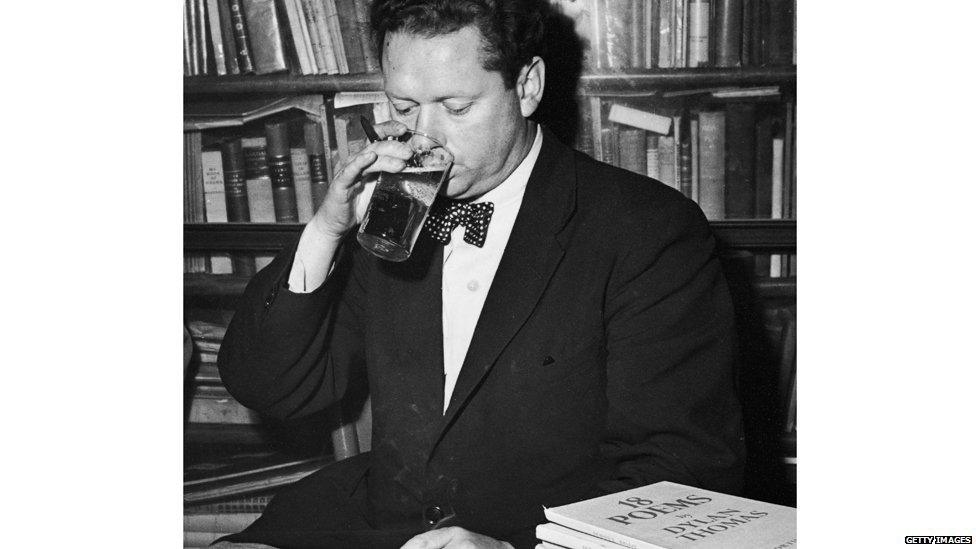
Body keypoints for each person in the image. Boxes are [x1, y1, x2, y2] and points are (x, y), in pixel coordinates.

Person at [216, 1, 745, 547]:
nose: (424, 138)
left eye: (457, 107)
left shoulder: (648, 230)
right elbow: (267, 388)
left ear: (528, 86)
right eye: (403, 107)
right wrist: (326, 231)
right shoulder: (392, 213)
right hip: (381, 527)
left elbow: (682, 471)